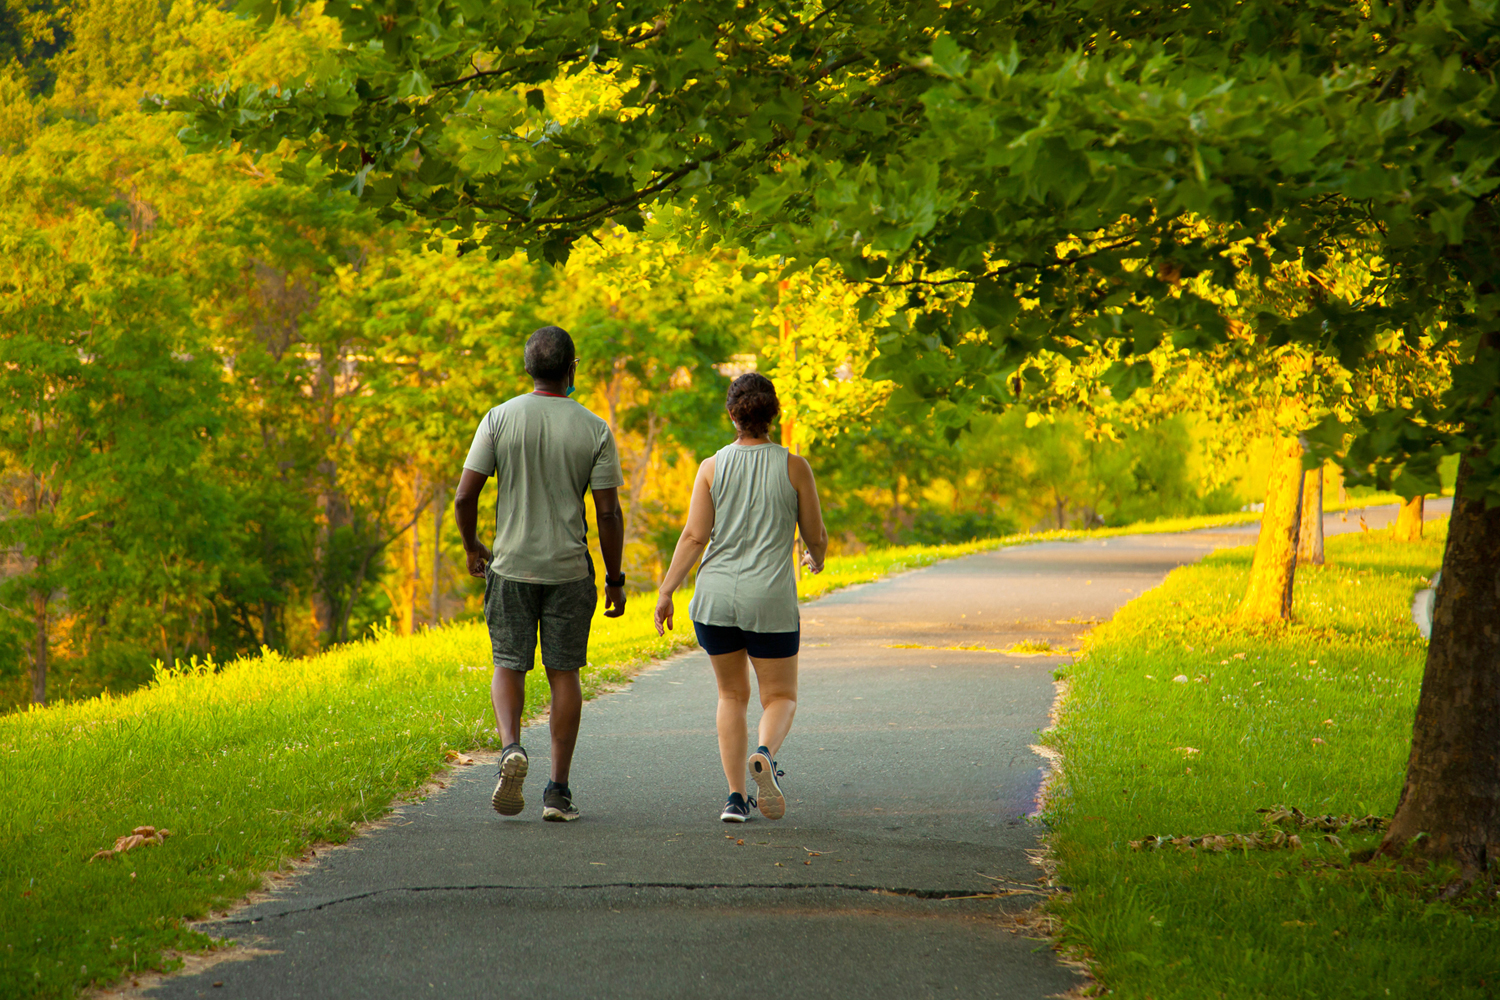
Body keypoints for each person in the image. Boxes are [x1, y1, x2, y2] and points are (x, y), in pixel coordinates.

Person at [453, 325, 626, 823]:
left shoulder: (498, 419)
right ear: (572, 369)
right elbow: (608, 514)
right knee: (564, 673)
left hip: (510, 568)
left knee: (508, 663)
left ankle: (511, 748)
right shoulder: (594, 428)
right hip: (569, 571)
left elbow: (466, 496)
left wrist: (473, 547)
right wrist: (614, 578)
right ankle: (558, 791)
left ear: (528, 368)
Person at [654, 372, 829, 823]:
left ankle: (735, 799)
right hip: (767, 601)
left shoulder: (712, 467)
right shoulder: (794, 467)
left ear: (732, 414)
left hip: (715, 600)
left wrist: (667, 590)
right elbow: (816, 535)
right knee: (780, 697)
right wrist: (816, 557)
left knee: (731, 696)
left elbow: (695, 536)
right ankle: (764, 755)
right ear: (774, 413)